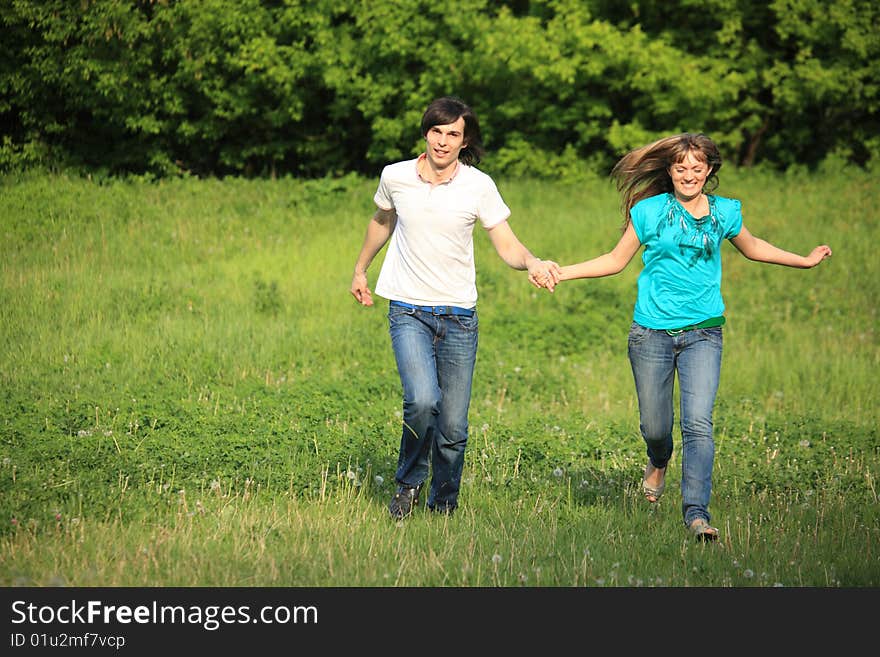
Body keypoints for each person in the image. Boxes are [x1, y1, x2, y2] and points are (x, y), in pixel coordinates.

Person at [557, 133, 832, 541]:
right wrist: (562, 272)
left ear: (709, 170)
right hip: (650, 333)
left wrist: (804, 261)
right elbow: (615, 261)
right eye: (681, 167)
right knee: (656, 427)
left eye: (697, 167)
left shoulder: (724, 213)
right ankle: (658, 459)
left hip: (704, 333)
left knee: (699, 424)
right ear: (669, 171)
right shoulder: (648, 211)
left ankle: (697, 515)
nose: (689, 174)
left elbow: (754, 248)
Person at [350, 96, 560, 519]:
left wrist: (533, 262)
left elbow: (506, 243)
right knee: (423, 400)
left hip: (459, 317)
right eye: (437, 131)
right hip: (408, 308)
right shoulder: (396, 177)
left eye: (453, 134)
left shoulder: (478, 185)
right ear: (425, 133)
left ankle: (443, 505)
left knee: (452, 427)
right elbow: (382, 220)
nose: (443, 142)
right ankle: (408, 484)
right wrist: (360, 270)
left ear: (464, 142)